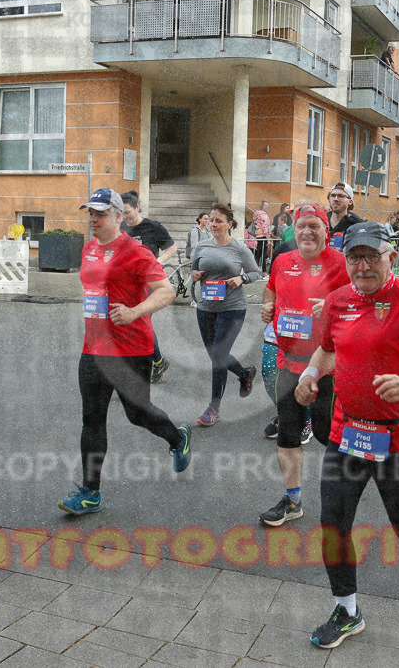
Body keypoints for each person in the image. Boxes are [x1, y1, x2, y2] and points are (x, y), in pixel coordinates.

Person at [295, 222, 399, 649]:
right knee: (332, 523)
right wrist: (311, 373)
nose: (361, 266)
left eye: (370, 256)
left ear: (391, 257)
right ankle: (348, 610)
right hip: (348, 432)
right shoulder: (337, 301)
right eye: (353, 257)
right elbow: (328, 349)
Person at [58, 188, 192, 515]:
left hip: (132, 347)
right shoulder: (89, 248)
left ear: (119, 216)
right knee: (92, 420)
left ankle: (178, 438)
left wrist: (134, 312)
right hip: (94, 348)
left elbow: (166, 291)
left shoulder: (136, 251)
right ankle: (91, 493)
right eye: (90, 212)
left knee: (137, 414)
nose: (93, 218)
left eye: (100, 213)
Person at [258, 204, 348, 526]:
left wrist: (334, 305)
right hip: (289, 363)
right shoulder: (283, 260)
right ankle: (293, 501)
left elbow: (365, 299)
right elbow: (270, 290)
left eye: (314, 225)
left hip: (327, 365)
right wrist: (267, 307)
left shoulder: (341, 263)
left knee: (327, 433)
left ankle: (350, 488)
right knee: (288, 436)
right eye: (301, 226)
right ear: (293, 230)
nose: (307, 231)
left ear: (327, 230)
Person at [190, 203, 261, 426]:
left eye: (218, 220)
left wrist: (242, 279)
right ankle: (244, 373)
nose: (213, 224)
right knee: (215, 355)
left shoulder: (239, 248)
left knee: (219, 355)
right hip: (206, 307)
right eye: (211, 220)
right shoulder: (201, 246)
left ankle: (213, 407)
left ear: (229, 224)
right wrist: (194, 275)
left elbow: (255, 272)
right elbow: (193, 270)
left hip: (232, 307)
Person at [120, 190, 178, 383]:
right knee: (131, 322)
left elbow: (172, 247)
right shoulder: (120, 227)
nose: (125, 217)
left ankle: (138, 367)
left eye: (128, 212)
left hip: (150, 284)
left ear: (137, 207)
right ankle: (158, 361)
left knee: (141, 319)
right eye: (121, 212)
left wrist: (158, 262)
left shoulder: (153, 227)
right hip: (128, 284)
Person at [326, 183, 363, 250]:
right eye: (333, 195)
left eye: (341, 196)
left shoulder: (356, 224)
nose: (336, 199)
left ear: (350, 201)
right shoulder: (322, 219)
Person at [250, 202, 272, 274]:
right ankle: (264, 271)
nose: (267, 207)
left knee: (258, 254)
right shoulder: (264, 216)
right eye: (265, 205)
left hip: (258, 235)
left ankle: (255, 270)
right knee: (263, 254)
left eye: (268, 206)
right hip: (263, 236)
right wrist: (268, 239)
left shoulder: (257, 214)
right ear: (262, 206)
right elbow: (265, 227)